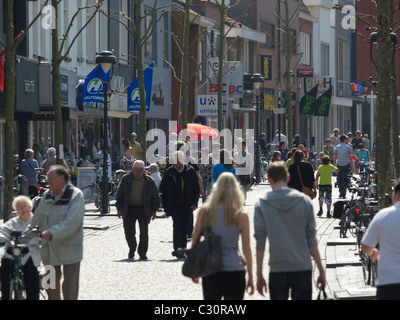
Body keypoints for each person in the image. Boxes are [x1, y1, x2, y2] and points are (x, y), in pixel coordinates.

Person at [254, 162, 326, 300]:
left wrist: (258, 274)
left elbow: (260, 243)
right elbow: (311, 239)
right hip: (302, 266)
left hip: (277, 267)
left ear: (269, 180)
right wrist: (321, 270)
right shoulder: (304, 201)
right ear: (288, 178)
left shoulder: (262, 204)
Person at [191, 172, 254, 300]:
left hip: (211, 270)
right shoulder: (241, 216)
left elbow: (194, 242)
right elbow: (246, 249)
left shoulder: (205, 213)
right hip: (235, 269)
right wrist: (251, 277)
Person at [30, 165, 84, 300]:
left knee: (70, 288)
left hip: (70, 249)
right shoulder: (47, 195)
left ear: (62, 178)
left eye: (51, 178)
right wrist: (24, 231)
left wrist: (50, 232)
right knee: (49, 284)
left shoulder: (75, 195)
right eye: (47, 178)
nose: (47, 181)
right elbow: (37, 218)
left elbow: (72, 222)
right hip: (49, 249)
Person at [361, 179, 400, 300]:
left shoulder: (383, 216)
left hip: (388, 281)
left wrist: (374, 253)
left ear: (397, 194)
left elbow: (366, 244)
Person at [115, 160, 160, 260]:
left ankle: (142, 252)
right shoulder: (126, 179)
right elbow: (119, 194)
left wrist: (154, 210)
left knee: (144, 232)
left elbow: (155, 197)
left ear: (144, 170)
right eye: (136, 170)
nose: (138, 173)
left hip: (143, 209)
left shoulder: (149, 181)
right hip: (129, 208)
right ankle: (132, 248)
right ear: (132, 169)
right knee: (129, 232)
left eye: (140, 171)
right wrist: (119, 208)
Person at [160, 151, 200, 258]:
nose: (178, 163)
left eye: (180, 160)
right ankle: (178, 248)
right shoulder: (169, 172)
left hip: (187, 204)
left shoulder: (190, 171)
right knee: (177, 225)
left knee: (185, 226)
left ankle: (182, 248)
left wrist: (195, 202)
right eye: (176, 161)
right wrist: (165, 205)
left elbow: (196, 188)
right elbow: (163, 190)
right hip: (174, 204)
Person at [0, 196, 41, 300]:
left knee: (32, 271)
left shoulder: (37, 221)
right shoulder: (12, 222)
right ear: (16, 211)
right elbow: (3, 230)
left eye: (25, 207)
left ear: (30, 207)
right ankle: (5, 296)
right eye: (19, 208)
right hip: (13, 251)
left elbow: (43, 234)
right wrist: (4, 237)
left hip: (30, 252)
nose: (22, 210)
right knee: (4, 268)